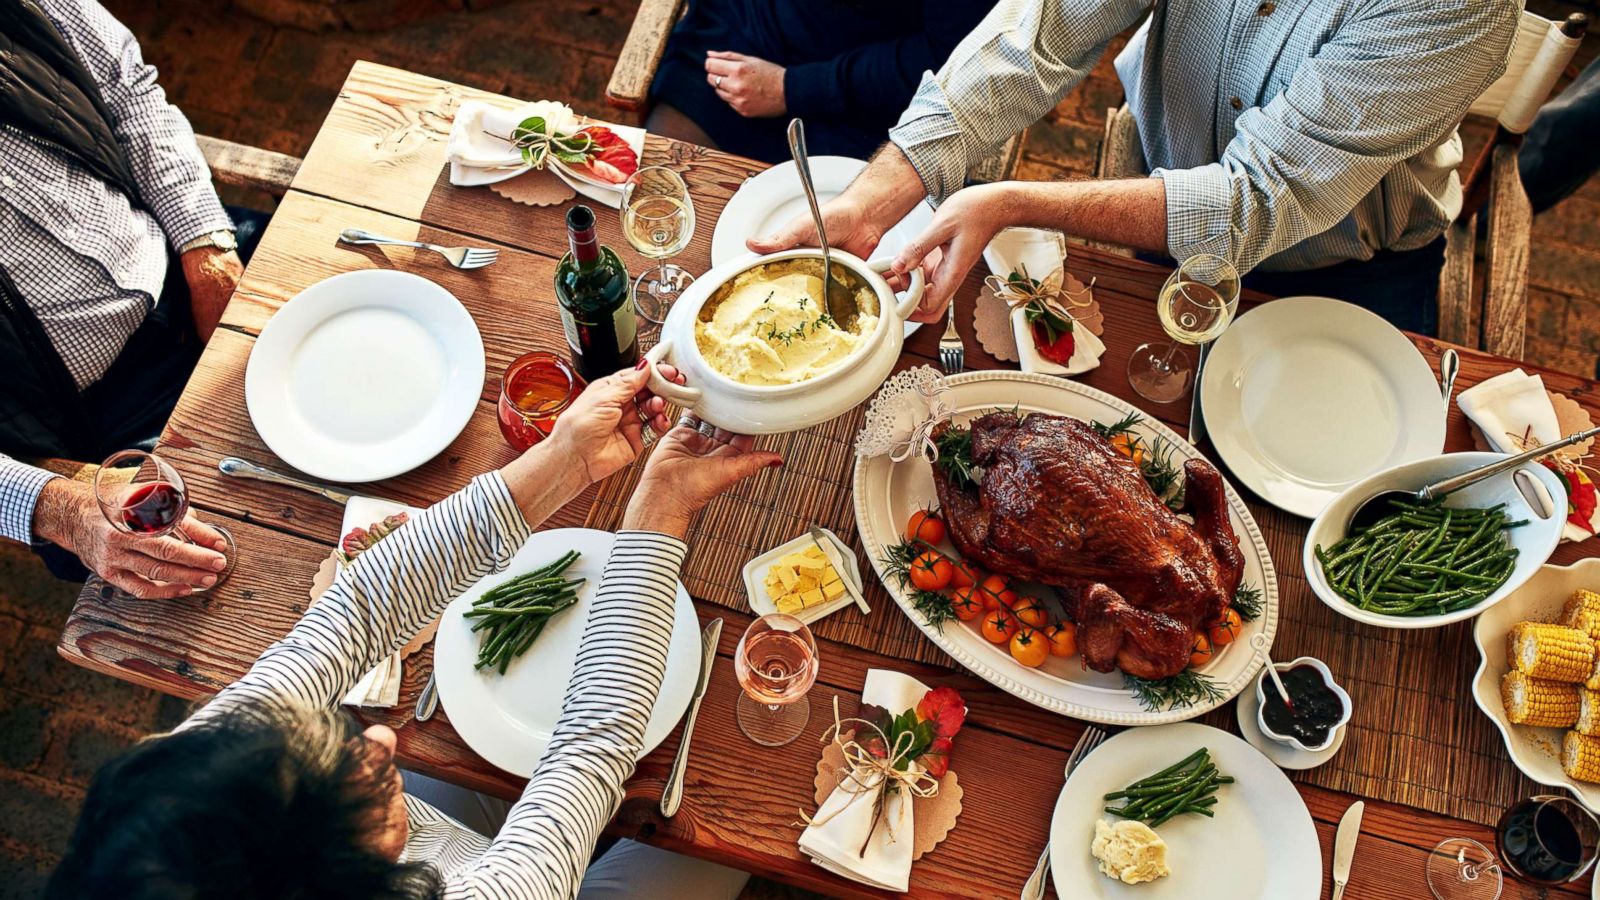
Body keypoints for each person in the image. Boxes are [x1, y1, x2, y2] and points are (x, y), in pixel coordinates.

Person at [46, 363, 781, 899]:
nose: (380, 738)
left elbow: (354, 613)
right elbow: (589, 747)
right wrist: (657, 514)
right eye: (359, 789)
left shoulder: (182, 807)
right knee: (727, 844)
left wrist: (566, 461)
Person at [750, 0, 1523, 336]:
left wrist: (1013, 200)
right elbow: (1038, 39)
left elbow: (1258, 199)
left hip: (1347, 268)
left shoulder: (1460, 7)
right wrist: (875, 196)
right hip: (1162, 215)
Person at [0, 0, 264, 594]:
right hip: (83, 427)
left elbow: (127, 88)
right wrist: (55, 504)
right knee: (245, 568)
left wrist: (207, 250)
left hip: (188, 256)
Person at [647, 0, 994, 164]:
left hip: (871, 94)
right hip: (746, 34)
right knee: (664, 182)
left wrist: (792, 87)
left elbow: (944, 55)